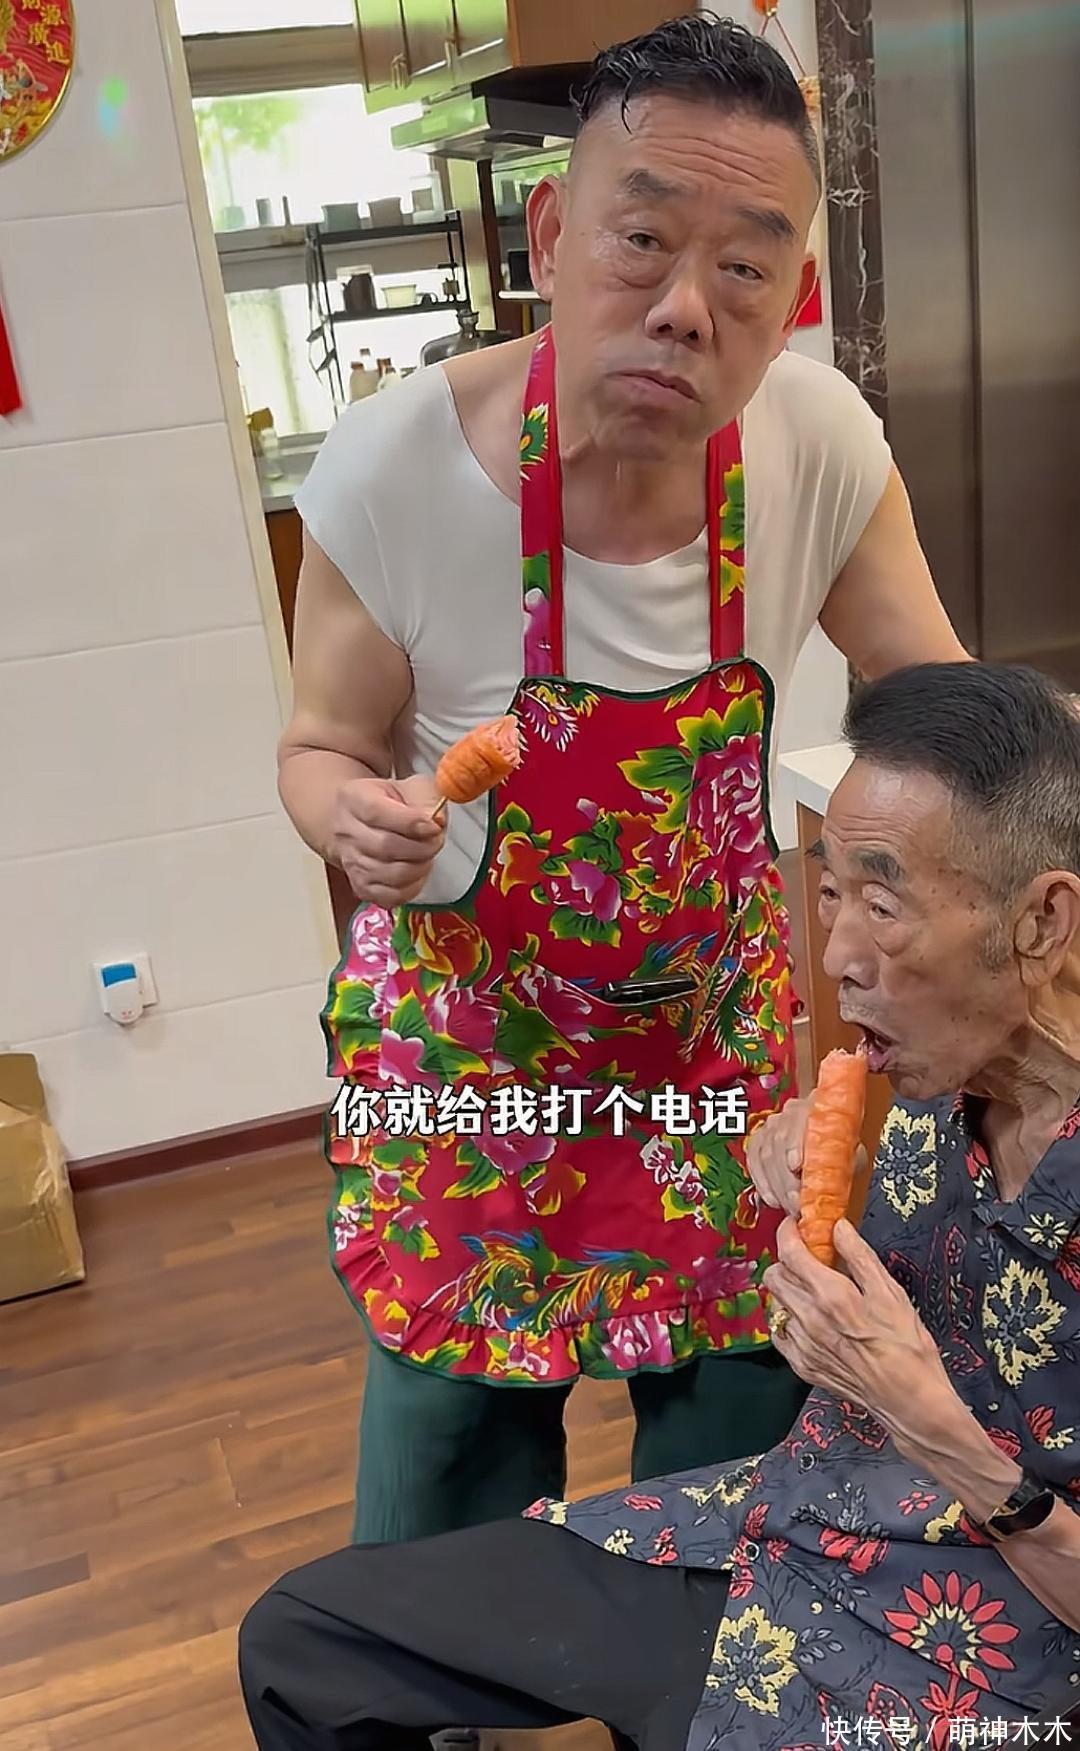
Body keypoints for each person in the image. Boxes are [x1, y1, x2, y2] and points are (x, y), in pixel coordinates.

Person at [280, 11, 970, 1548]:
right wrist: (349, 813)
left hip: (714, 1056)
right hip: (475, 1065)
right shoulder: (394, 472)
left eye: (745, 268)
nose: (683, 308)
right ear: (551, 234)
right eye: (641, 240)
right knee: (451, 1468)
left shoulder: (817, 444)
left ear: (793, 297)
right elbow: (319, 744)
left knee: (742, 1450)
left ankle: (703, 1640)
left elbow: (942, 709)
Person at [243, 661, 1080, 1750]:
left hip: (981, 1644)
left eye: (883, 906)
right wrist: (810, 1159)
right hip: (796, 1520)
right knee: (304, 1638)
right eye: (830, 893)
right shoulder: (942, 1062)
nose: (838, 956)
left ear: (1042, 920)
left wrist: (931, 1422)